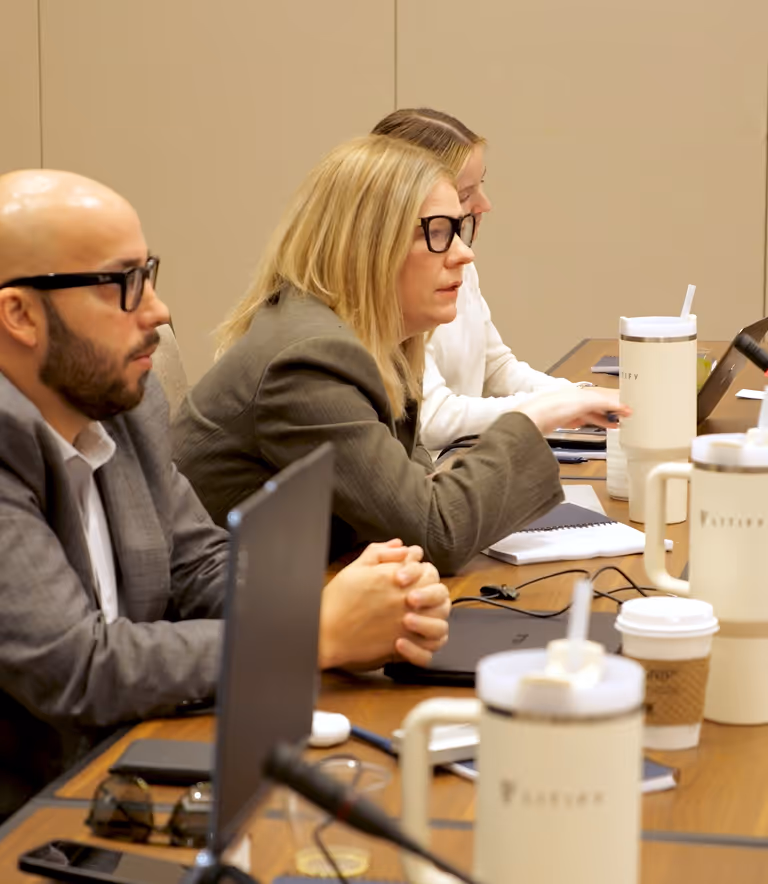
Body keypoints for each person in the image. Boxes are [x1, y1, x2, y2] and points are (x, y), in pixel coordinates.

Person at [0, 169, 451, 817]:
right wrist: (312, 635)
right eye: (121, 284)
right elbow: (78, 666)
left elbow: (199, 564)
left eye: (148, 274)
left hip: (136, 765)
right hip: (34, 817)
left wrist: (361, 606)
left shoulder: (124, 404)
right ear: (19, 314)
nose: (158, 311)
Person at [172, 135, 627, 575]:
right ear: (367, 245)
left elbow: (416, 492)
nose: (464, 254)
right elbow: (435, 532)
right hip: (230, 617)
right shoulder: (308, 363)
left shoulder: (370, 337)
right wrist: (535, 416)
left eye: (460, 230)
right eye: (438, 233)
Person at [372, 108, 581, 454]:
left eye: (480, 185)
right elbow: (432, 419)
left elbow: (496, 367)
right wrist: (557, 407)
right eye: (465, 194)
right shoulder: (400, 284)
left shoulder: (458, 262)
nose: (485, 205)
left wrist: (577, 396)